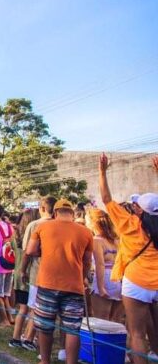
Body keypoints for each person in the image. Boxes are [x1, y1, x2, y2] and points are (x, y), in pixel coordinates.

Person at [99, 154, 158, 364]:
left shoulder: (130, 224)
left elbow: (106, 199)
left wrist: (103, 172)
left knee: (137, 333)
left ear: (138, 209)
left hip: (136, 283)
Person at [25, 198, 93, 364]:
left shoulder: (43, 227)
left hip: (48, 283)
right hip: (74, 286)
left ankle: (45, 361)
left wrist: (46, 251)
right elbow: (87, 261)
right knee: (72, 329)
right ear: (71, 213)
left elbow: (30, 250)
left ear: (55, 213)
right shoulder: (86, 232)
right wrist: (81, 277)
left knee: (45, 325)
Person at [17, 196, 56, 351]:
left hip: (37, 272)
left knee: (35, 307)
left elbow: (27, 251)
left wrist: (22, 270)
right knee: (49, 311)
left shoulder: (34, 225)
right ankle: (34, 340)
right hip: (55, 274)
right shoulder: (61, 225)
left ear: (42, 208)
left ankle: (28, 338)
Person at [87, 208, 124, 323]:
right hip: (119, 279)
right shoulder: (117, 240)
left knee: (101, 320)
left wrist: (101, 287)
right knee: (115, 320)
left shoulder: (97, 240)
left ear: (93, 223)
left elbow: (100, 264)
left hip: (105, 279)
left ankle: (100, 342)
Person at [9, 209, 37, 350]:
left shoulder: (16, 236)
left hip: (18, 275)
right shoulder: (33, 237)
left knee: (22, 308)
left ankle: (15, 337)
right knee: (33, 309)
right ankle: (28, 338)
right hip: (28, 274)